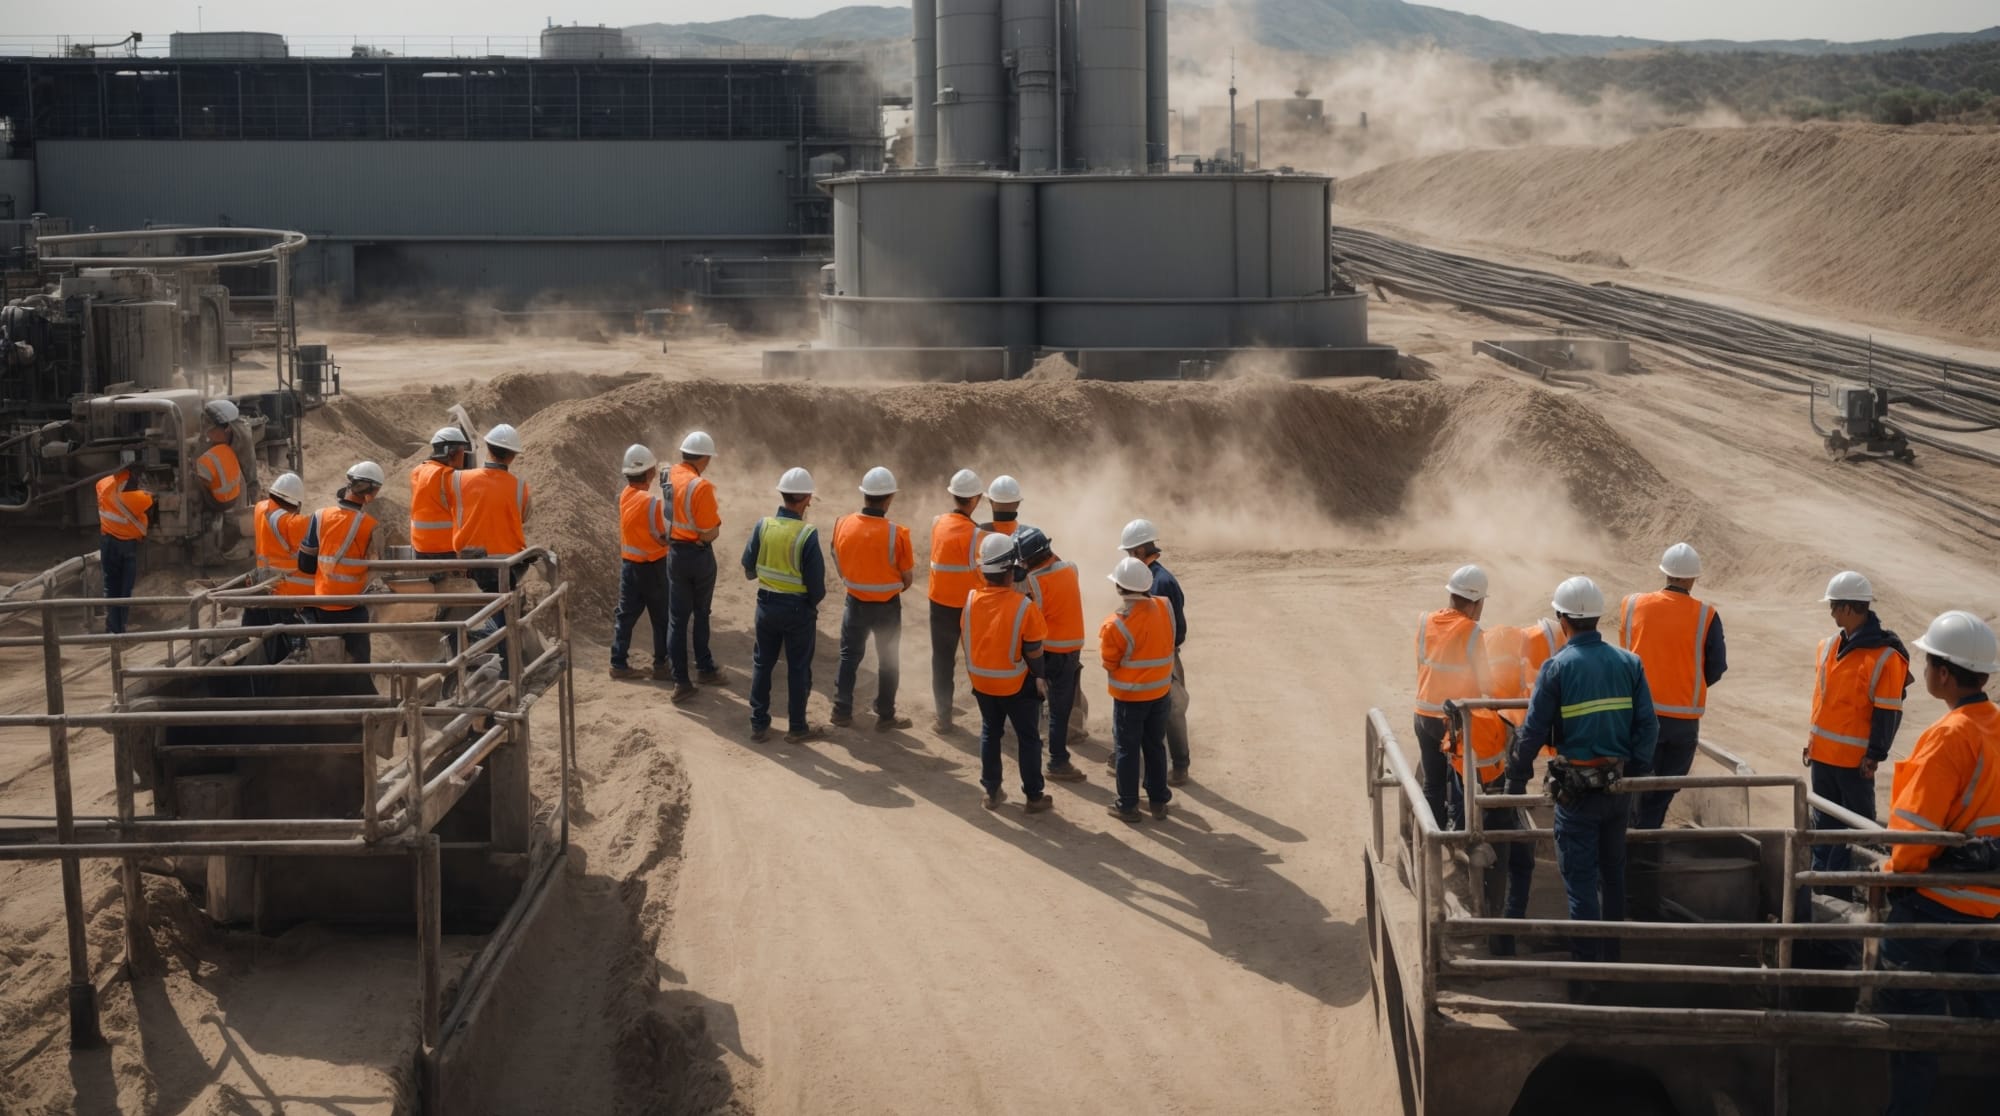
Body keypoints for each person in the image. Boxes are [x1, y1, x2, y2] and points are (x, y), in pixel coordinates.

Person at [1877, 610, 2000, 1116]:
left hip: (1933, 907)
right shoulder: (1993, 727)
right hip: (1988, 908)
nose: (1924, 669)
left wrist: (1889, 876)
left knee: (1911, 1023)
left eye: (1929, 661)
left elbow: (1914, 834)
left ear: (1945, 673)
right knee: (1983, 1009)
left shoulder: (1951, 735)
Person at [1507, 576, 1656, 963]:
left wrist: (1515, 776)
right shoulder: (1630, 662)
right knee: (1613, 875)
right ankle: (1613, 958)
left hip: (1577, 794)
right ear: (1597, 617)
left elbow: (1533, 730)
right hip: (1617, 788)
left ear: (1563, 619)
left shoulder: (1557, 668)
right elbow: (1648, 726)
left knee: (1581, 886)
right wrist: (1635, 774)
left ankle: (1587, 975)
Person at [1803, 571, 1909, 901]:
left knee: (1857, 829)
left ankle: (1843, 894)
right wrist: (1811, 742)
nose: (1831, 612)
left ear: (1850, 609)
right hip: (1823, 757)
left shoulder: (1886, 657)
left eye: (1834, 606)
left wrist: (1875, 755)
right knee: (1825, 826)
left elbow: (1888, 712)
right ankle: (1822, 886)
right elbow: (1824, 702)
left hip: (1854, 763)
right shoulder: (1829, 646)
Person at [1620, 542, 1727, 830]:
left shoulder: (1632, 605)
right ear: (1693, 578)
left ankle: (1628, 850)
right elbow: (1716, 667)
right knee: (1664, 791)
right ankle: (1647, 842)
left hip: (1641, 717)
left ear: (1665, 573)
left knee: (1634, 787)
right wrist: (1687, 683)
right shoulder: (1707, 615)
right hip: (1683, 724)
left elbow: (1625, 655)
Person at [963, 533, 1054, 813]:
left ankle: (992, 792)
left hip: (981, 681)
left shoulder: (970, 599)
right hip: (1015, 684)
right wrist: (1039, 677)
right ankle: (1034, 796)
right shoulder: (1023, 606)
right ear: (1010, 570)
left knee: (991, 732)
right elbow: (1035, 650)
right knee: (1028, 737)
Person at [742, 468, 825, 744]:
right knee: (798, 667)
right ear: (806, 499)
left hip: (765, 606)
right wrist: (810, 605)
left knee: (762, 663)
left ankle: (758, 724)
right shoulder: (807, 534)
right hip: (798, 610)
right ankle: (797, 727)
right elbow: (817, 586)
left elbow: (748, 566)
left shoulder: (763, 525)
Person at [830, 466, 916, 731]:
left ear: (864, 495)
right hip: (887, 607)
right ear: (889, 498)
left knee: (849, 656)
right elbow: (908, 578)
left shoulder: (842, 523)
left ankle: (841, 710)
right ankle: (886, 714)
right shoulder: (898, 533)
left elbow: (836, 557)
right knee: (888, 660)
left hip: (854, 602)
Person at [1412, 563, 1492, 829]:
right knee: (1462, 785)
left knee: (1433, 783)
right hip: (1455, 721)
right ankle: (1460, 842)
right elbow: (1486, 681)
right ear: (1476, 601)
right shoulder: (1471, 631)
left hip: (1423, 714)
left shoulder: (1426, 621)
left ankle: (1432, 842)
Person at [1102, 556, 1176, 821]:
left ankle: (1128, 805)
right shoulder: (1164, 606)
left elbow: (1109, 664)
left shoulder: (1115, 624)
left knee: (1127, 750)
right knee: (1155, 745)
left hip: (1130, 699)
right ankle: (1158, 800)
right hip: (1160, 693)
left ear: (1119, 589)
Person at [1120, 518, 1193, 785]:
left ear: (1140, 551)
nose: (1129, 558)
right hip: (1163, 655)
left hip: (1162, 657)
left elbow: (1170, 628)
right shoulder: (1157, 577)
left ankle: (1180, 766)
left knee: (1170, 710)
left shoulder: (1158, 583)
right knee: (1158, 709)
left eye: (1130, 553)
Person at [298, 462, 385, 665]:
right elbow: (377, 569)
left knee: (325, 664)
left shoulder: (319, 516)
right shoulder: (371, 526)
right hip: (353, 608)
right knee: (359, 666)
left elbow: (306, 564)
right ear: (371, 493)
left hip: (322, 607)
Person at [1020, 526, 1087, 782]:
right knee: (1061, 709)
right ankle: (1057, 757)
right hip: (1070, 651)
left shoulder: (1034, 581)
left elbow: (1034, 620)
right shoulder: (1071, 568)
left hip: (1046, 651)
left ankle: (1053, 758)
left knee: (1037, 700)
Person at [927, 468, 989, 733]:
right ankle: (990, 717)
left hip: (939, 603)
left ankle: (943, 718)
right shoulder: (977, 535)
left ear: (953, 496)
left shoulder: (937, 522)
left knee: (942, 661)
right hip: (969, 607)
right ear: (975, 499)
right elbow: (983, 572)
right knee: (979, 662)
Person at [666, 430, 725, 703]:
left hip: (675, 553)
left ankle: (680, 680)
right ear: (704, 458)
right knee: (701, 613)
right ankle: (704, 668)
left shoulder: (668, 475)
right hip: (697, 556)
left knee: (677, 621)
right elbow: (707, 531)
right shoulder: (700, 487)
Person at [610, 444, 672, 682]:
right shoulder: (652, 502)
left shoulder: (625, 495)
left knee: (625, 615)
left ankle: (618, 662)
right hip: (653, 567)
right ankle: (661, 665)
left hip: (629, 566)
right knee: (661, 618)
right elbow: (662, 535)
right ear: (649, 473)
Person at [451, 423, 531, 590]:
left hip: (468, 561)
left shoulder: (458, 479)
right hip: (508, 563)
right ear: (513, 455)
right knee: (503, 606)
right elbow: (524, 516)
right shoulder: (520, 487)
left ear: (487, 447)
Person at [247, 471, 311, 663]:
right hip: (288, 593)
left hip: (265, 589)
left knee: (269, 643)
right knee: (291, 648)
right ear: (296, 503)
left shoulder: (260, 508)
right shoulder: (289, 523)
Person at [95, 452, 154, 634]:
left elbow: (106, 485)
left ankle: (111, 626)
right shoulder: (136, 498)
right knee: (124, 589)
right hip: (126, 546)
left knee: (111, 586)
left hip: (107, 543)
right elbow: (150, 498)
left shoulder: (103, 486)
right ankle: (119, 628)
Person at [410, 426, 469, 560]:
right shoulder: (449, 476)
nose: (464, 456)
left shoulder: (417, 471)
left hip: (420, 547)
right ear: (451, 452)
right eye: (462, 451)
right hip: (445, 549)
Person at [193, 399, 245, 509]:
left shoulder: (242, 442)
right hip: (231, 496)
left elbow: (250, 475)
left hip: (221, 501)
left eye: (211, 430)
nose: (208, 434)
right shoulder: (227, 448)